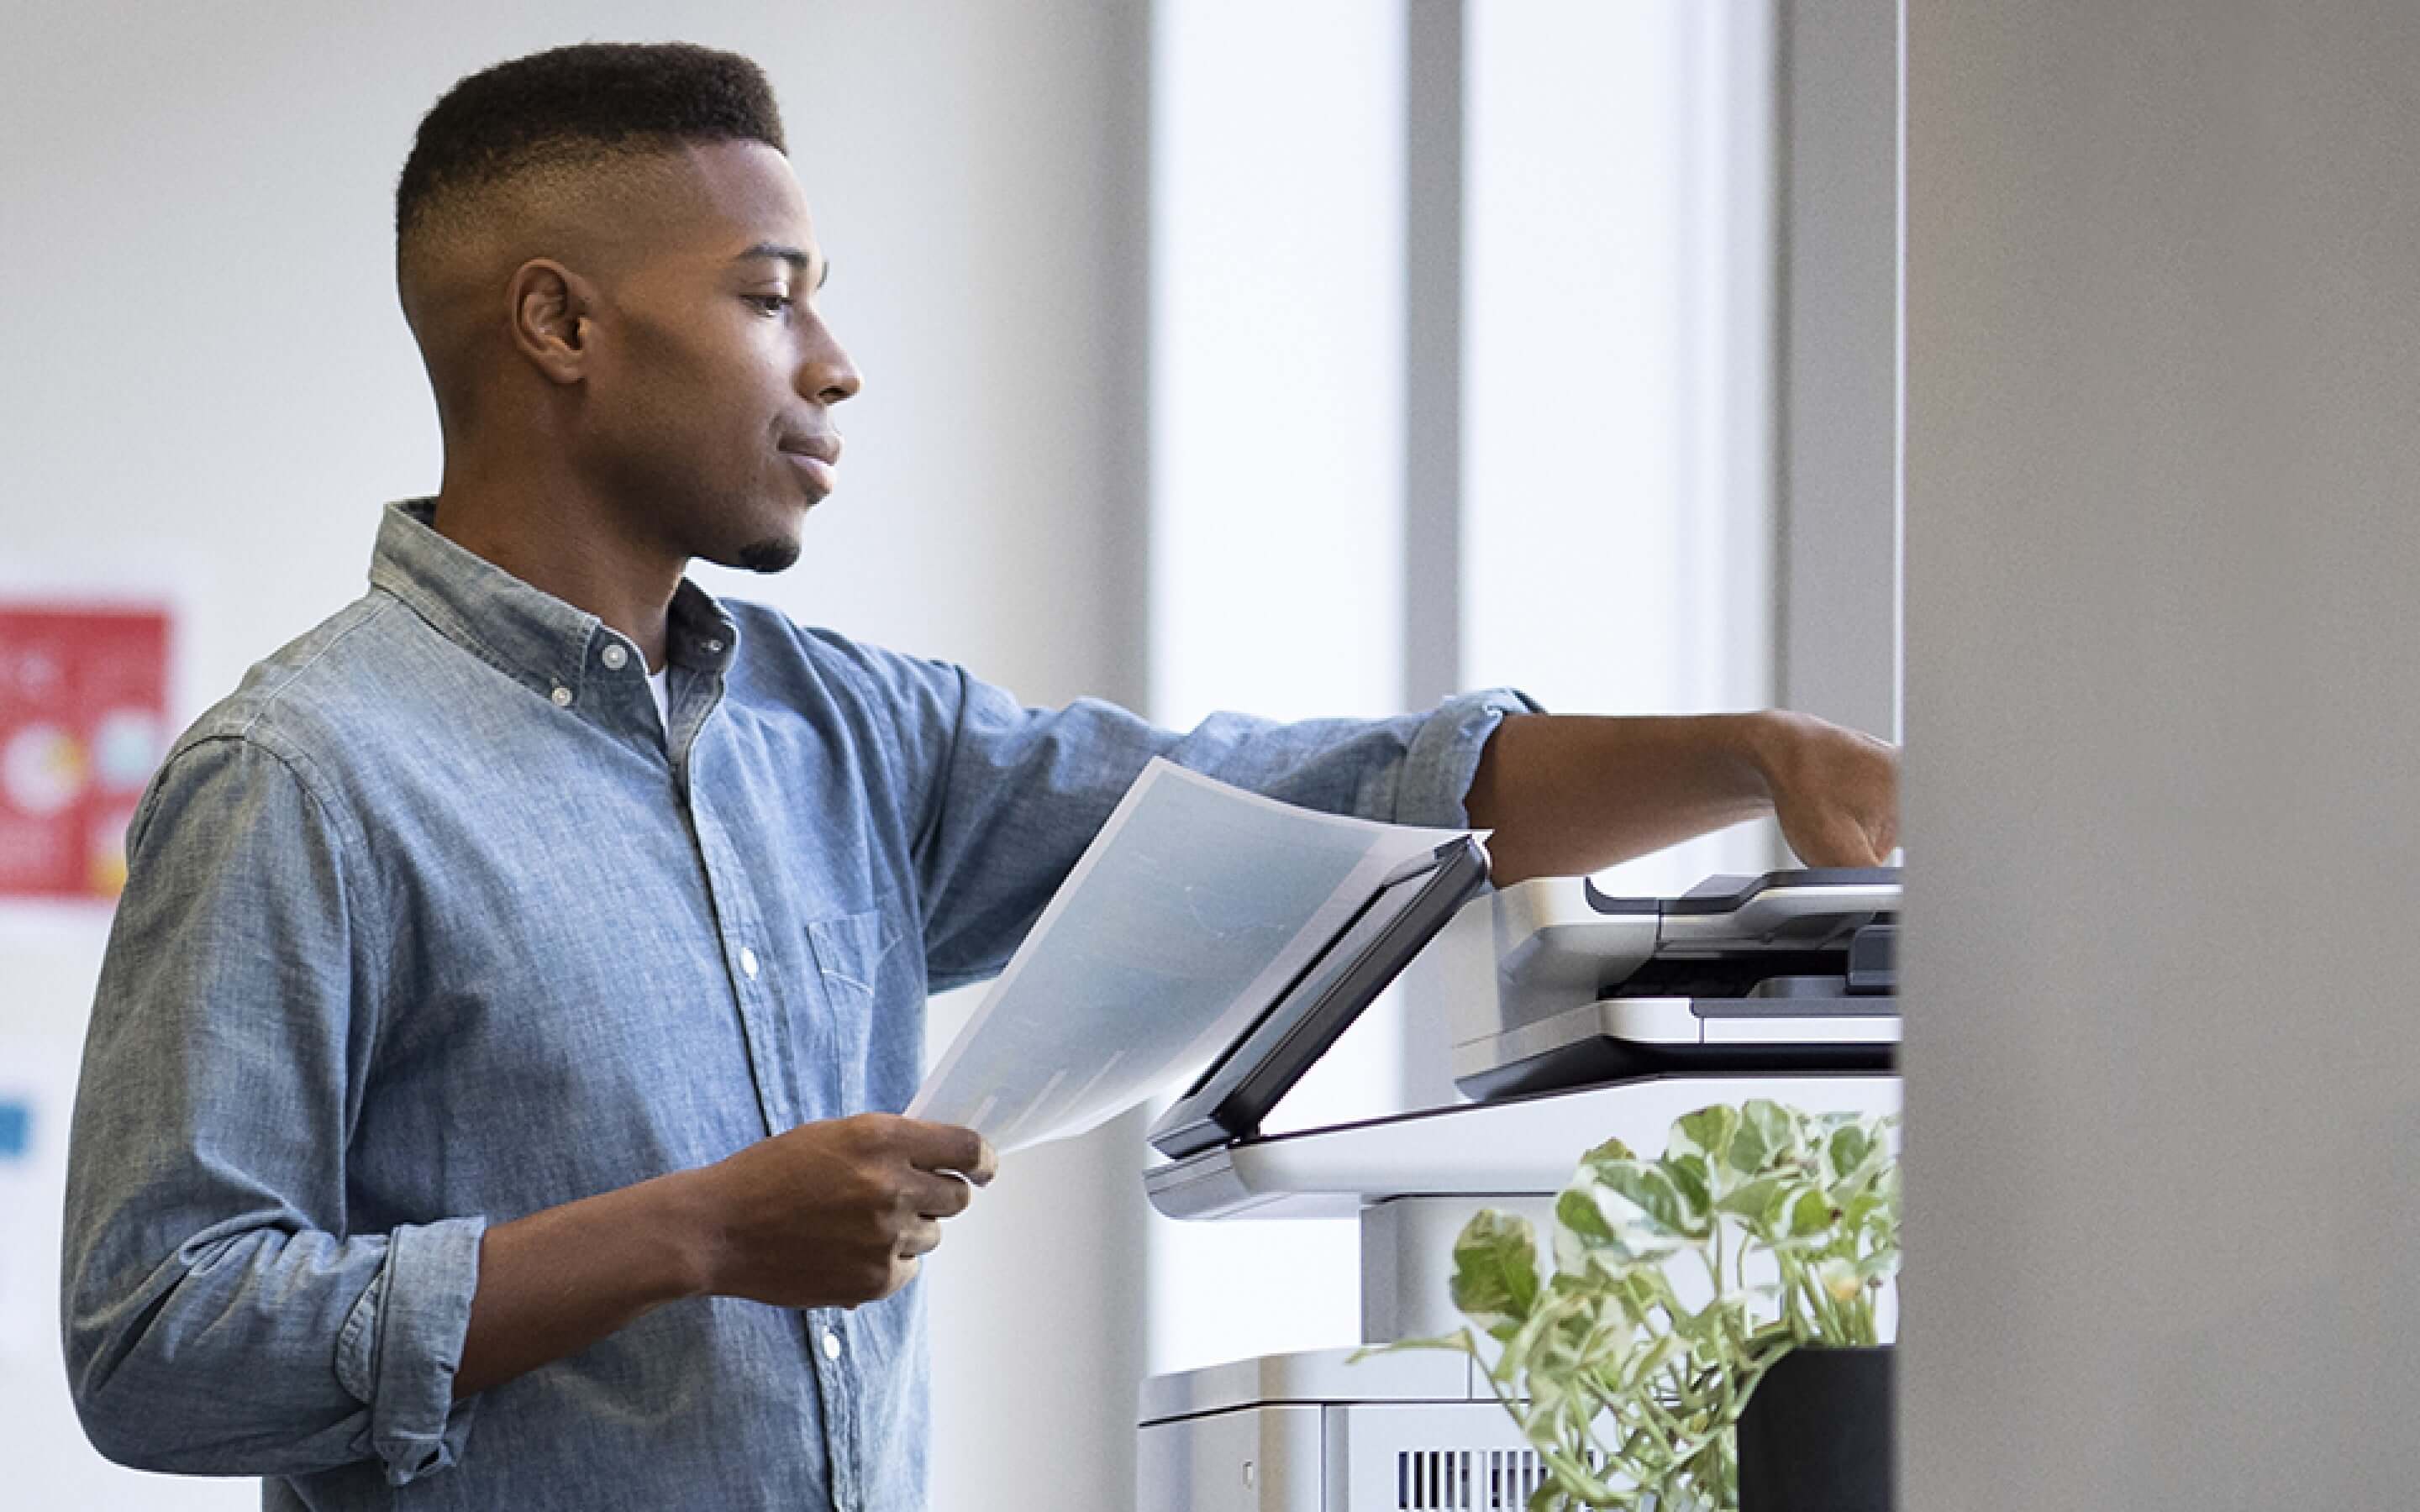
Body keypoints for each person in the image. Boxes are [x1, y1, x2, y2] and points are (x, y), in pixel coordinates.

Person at [57, 40, 1898, 1512]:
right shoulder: (300, 775)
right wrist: (697, 1231)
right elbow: (156, 1341)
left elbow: (1328, 796)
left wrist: (1754, 755)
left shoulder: (850, 733)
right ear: (559, 328)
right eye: (771, 297)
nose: (837, 367)